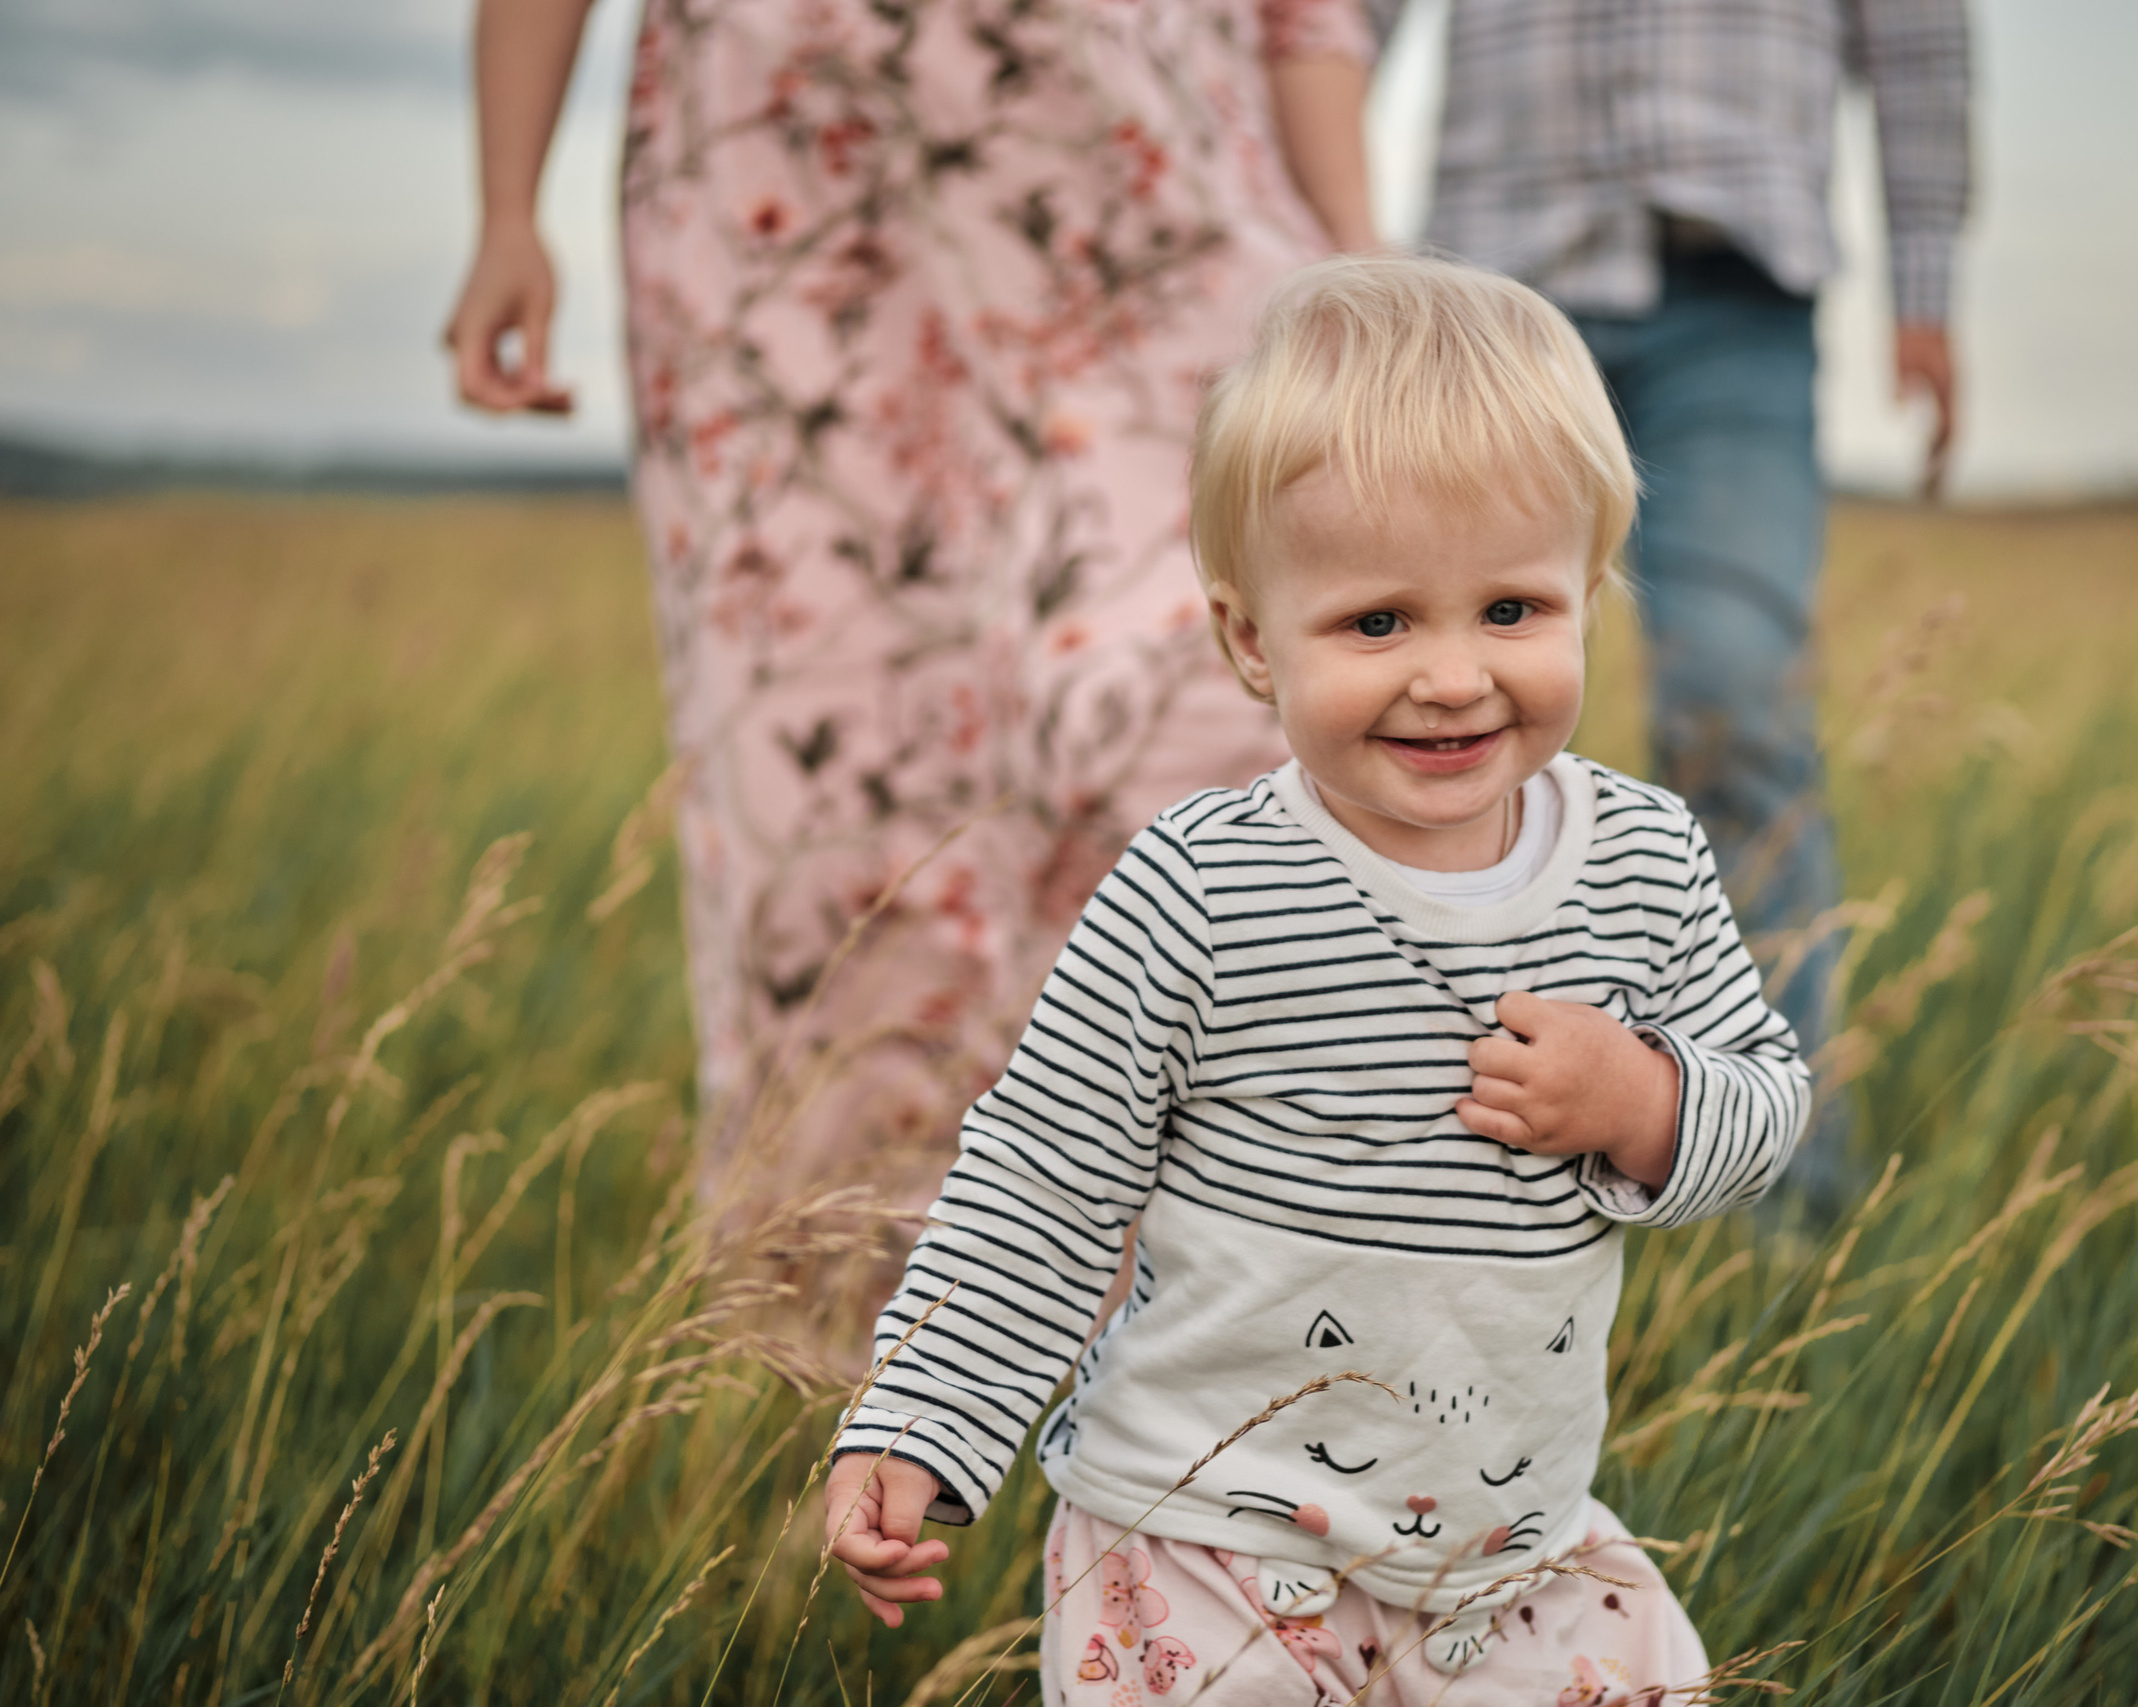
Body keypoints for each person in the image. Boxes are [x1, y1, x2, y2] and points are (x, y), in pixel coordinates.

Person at [823, 255, 1809, 1702]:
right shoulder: (1198, 888)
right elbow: (1043, 1175)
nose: (1456, 675)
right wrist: (920, 1418)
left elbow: (1768, 1108)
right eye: (1378, 622)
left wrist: (1639, 1095)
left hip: (1506, 1546)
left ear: (1588, 593)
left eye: (1514, 610)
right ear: (1249, 641)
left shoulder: (1643, 856)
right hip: (1205, 1534)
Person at [441, 0, 1380, 1341]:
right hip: (799, 216)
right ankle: (845, 1407)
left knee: (1217, 741)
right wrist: (505, 207)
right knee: (835, 814)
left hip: (1150, 210)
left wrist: (1361, 265)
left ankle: (1213, 1368)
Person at [1404, 0, 1973, 1221]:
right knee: (1428, 708)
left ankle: (1776, 1202)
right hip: (1488, 283)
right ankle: (1422, 1171)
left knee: (1736, 704)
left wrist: (1924, 288)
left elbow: (1918, 36)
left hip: (1740, 288)